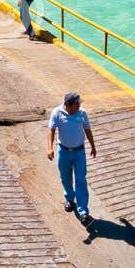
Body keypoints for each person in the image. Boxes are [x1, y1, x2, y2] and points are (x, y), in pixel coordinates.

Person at [47, 91, 96, 224]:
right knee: (65, 178)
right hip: (64, 152)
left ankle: (83, 211)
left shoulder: (82, 113)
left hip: (79, 152)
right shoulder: (57, 112)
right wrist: (50, 148)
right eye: (77, 104)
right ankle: (70, 199)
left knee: (81, 180)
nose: (79, 106)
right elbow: (51, 129)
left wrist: (93, 146)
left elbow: (87, 129)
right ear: (68, 105)